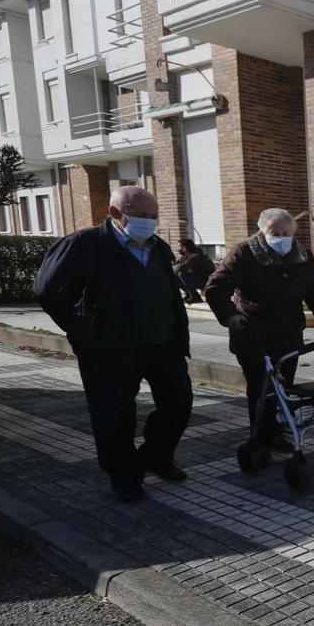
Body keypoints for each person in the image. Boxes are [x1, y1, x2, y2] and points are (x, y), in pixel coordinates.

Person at [33, 186, 193, 502]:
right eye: (140, 216)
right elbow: (46, 290)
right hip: (108, 349)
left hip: (162, 344)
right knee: (114, 416)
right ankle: (125, 475)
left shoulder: (158, 247)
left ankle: (156, 457)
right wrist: (81, 328)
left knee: (178, 404)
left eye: (153, 217)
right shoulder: (84, 244)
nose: (148, 222)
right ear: (115, 214)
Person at [204, 208, 314, 447]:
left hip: (289, 334)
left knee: (284, 387)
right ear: (261, 231)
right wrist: (231, 317)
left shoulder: (303, 255)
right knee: (261, 388)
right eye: (275, 232)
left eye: (287, 233)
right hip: (252, 333)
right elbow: (216, 288)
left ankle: (277, 431)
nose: (282, 237)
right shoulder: (244, 253)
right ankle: (260, 437)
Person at [173, 238, 215, 303]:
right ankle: (189, 294)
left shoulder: (197, 256)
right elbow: (175, 264)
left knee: (182, 274)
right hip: (200, 279)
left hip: (208, 282)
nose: (179, 249)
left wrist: (174, 268)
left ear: (185, 248)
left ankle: (195, 297)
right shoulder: (187, 256)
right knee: (175, 276)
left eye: (181, 247)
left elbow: (182, 267)